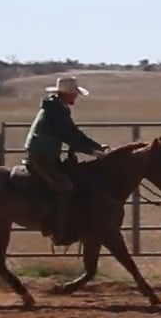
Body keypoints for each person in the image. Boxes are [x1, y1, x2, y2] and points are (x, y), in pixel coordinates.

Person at [22, 76, 108, 243]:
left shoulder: (56, 107)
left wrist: (96, 147)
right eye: (74, 94)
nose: (76, 97)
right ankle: (59, 231)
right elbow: (68, 134)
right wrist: (93, 150)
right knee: (65, 188)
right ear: (66, 94)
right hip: (42, 156)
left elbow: (72, 133)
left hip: (46, 154)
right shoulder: (56, 110)